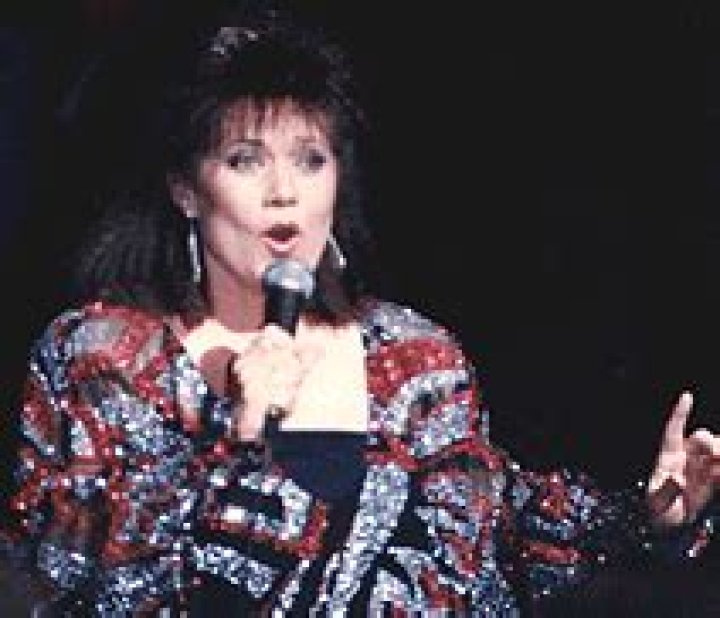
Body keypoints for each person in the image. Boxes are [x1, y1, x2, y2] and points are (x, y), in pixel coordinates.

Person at [4, 2, 720, 615]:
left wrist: (648, 516)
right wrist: (235, 434)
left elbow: (498, 527)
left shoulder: (418, 362)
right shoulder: (100, 358)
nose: (284, 192)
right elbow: (74, 577)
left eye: (310, 159)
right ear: (186, 189)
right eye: (246, 159)